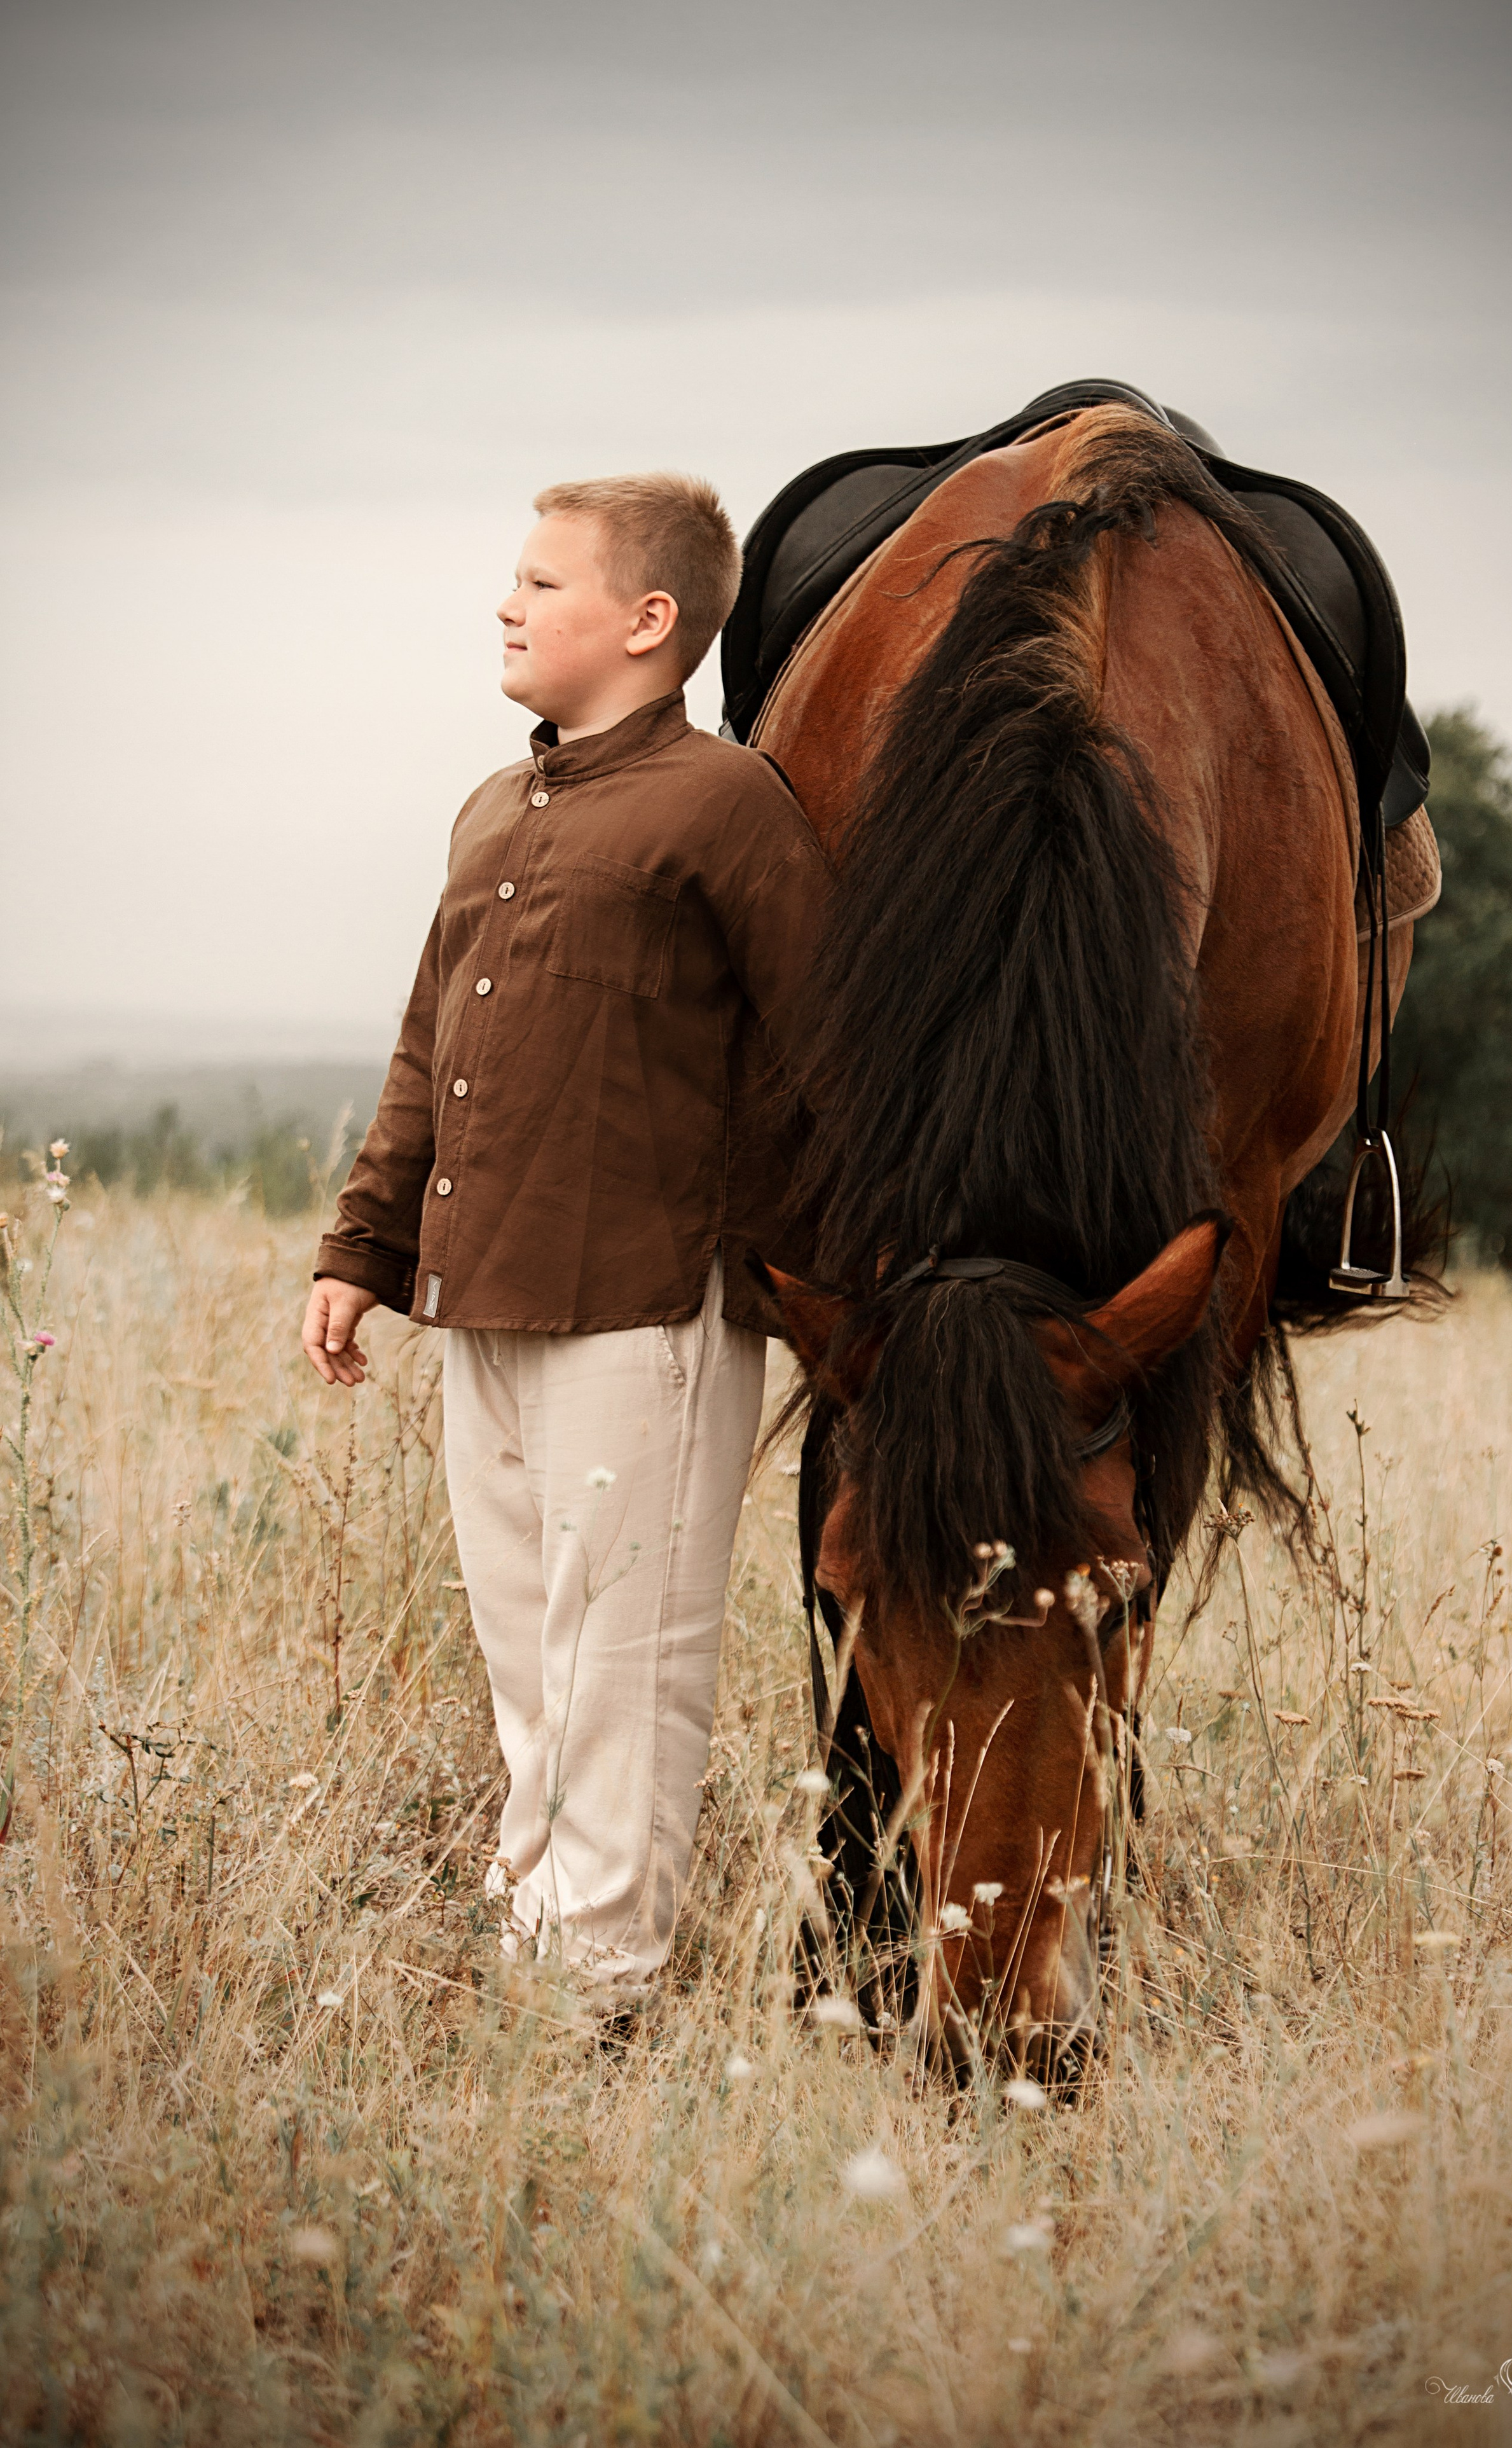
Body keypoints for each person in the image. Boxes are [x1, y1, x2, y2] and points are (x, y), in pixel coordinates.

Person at [301, 473, 828, 2002]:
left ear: (649, 621)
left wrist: (783, 1278)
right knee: (531, 1650)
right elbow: (430, 1045)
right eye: (513, 580)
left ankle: (596, 1980)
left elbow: (826, 1058)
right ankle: (535, 1923)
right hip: (488, 1291)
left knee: (623, 1659)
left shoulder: (728, 806)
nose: (507, 605)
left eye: (541, 582)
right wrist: (359, 1249)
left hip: (648, 1308)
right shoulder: (492, 805)